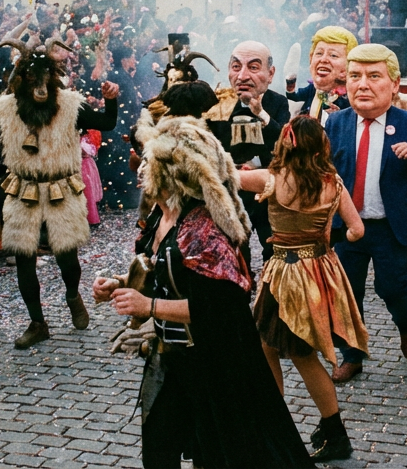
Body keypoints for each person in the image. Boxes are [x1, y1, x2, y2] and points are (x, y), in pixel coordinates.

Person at [95, 106, 314, 469]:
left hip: (217, 367)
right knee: (160, 450)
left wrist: (147, 307)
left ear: (172, 174)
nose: (140, 169)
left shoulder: (203, 231)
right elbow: (166, 274)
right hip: (171, 358)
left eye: (148, 163)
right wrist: (120, 284)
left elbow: (222, 310)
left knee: (222, 456)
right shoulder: (161, 215)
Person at [0, 40, 119, 349]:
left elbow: (107, 122)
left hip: (60, 187)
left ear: (53, 77)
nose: (39, 87)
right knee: (24, 258)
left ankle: (72, 294)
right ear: (21, 78)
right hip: (23, 189)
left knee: (67, 254)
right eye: (31, 78)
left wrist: (111, 101)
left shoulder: (70, 105)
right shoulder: (7, 110)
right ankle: (37, 322)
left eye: (45, 78)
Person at [238, 115, 369, 461]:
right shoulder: (333, 182)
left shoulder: (273, 178)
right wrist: (324, 237)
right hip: (321, 272)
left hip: (285, 275)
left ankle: (328, 431)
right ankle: (279, 421)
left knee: (301, 355)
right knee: (268, 345)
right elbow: (356, 231)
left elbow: (228, 177)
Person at [324, 44, 407, 383]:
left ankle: (405, 325)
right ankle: (353, 355)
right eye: (355, 76)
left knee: (392, 287)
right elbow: (323, 168)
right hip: (348, 227)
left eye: (374, 76)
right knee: (348, 293)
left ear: (394, 84)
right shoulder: (337, 121)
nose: (363, 84)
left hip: (390, 228)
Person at [206, 41, 291, 260]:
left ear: (270, 74)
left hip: (268, 191)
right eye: (236, 67)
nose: (242, 76)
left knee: (274, 248)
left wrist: (261, 114)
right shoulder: (218, 103)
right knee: (230, 250)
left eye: (253, 68)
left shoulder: (278, 103)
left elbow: (284, 144)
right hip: (230, 189)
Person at [287, 25, 355, 121]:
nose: (323, 60)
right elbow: (295, 98)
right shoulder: (312, 89)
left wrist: (340, 117)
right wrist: (290, 85)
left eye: (333, 55)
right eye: (319, 53)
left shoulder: (353, 97)